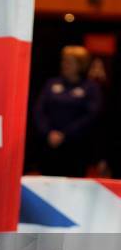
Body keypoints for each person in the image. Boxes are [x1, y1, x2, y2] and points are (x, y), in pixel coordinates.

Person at [33, 45, 101, 177]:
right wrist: (48, 132)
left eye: (69, 62)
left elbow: (91, 116)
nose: (64, 65)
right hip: (49, 145)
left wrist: (65, 134)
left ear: (80, 65)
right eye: (63, 61)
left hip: (76, 148)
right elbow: (39, 110)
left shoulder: (91, 88)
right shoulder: (52, 83)